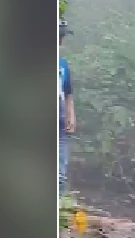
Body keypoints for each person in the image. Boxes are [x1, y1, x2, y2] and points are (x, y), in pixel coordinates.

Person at [58, 19, 76, 195]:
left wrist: (71, 114)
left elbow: (68, 92)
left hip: (60, 120)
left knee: (60, 176)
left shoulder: (62, 65)